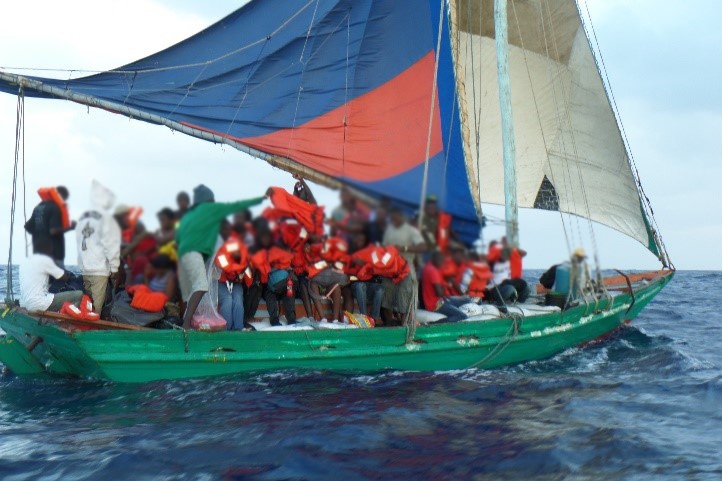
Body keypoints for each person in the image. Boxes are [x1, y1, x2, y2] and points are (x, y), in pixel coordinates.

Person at [176, 184, 264, 328]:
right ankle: (192, 324)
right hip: (222, 278)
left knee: (238, 303)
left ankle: (237, 329)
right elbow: (221, 261)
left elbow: (247, 262)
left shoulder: (240, 241)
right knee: (220, 298)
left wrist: (240, 274)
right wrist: (234, 271)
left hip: (235, 280)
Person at [75, 180, 122, 312]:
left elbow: (79, 243)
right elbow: (111, 244)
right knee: (95, 311)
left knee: (86, 306)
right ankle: (89, 330)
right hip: (99, 270)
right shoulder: (106, 218)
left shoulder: (83, 217)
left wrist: (81, 265)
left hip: (85, 269)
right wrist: (114, 268)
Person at [381, 207, 426, 325]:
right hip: (390, 266)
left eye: (396, 217)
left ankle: (405, 322)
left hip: (406, 264)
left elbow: (422, 247)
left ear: (402, 216)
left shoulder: (411, 231)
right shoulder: (389, 230)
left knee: (406, 292)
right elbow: (384, 247)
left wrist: (405, 248)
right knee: (386, 292)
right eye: (392, 218)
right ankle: (389, 321)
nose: (394, 219)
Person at [19, 237, 83, 312]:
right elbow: (64, 277)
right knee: (79, 294)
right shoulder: (45, 260)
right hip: (39, 304)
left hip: (24, 303)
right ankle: (65, 320)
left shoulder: (24, 263)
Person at [248, 228, 297, 327]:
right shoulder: (274, 249)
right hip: (287, 279)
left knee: (270, 292)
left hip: (275, 281)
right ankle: (291, 320)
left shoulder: (268, 250)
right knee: (288, 291)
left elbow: (263, 268)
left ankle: (274, 320)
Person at [24, 185, 76, 267]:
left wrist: (40, 233)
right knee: (57, 279)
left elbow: (27, 227)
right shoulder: (55, 207)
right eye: (64, 199)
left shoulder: (38, 207)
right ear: (60, 196)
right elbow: (53, 231)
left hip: (38, 255)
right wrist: (71, 227)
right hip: (54, 256)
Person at [343, 231, 384, 320]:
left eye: (362, 240)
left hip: (371, 283)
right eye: (358, 240)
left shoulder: (371, 252)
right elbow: (345, 270)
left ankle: (374, 318)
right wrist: (353, 264)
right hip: (356, 284)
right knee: (360, 286)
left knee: (380, 289)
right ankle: (364, 317)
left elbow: (377, 267)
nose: (360, 242)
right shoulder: (350, 252)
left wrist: (364, 264)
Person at [215, 234, 251, 330]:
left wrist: (246, 278)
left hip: (236, 283)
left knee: (238, 300)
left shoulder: (245, 254)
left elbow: (249, 277)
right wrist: (239, 268)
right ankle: (227, 329)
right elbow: (222, 263)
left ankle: (238, 329)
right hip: (221, 282)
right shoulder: (225, 249)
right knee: (227, 300)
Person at [421, 252, 467, 322]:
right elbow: (439, 293)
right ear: (435, 259)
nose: (442, 263)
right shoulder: (433, 271)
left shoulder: (429, 265)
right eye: (441, 261)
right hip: (436, 305)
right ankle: (436, 324)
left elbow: (449, 279)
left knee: (466, 300)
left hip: (439, 300)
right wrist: (446, 286)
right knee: (462, 316)